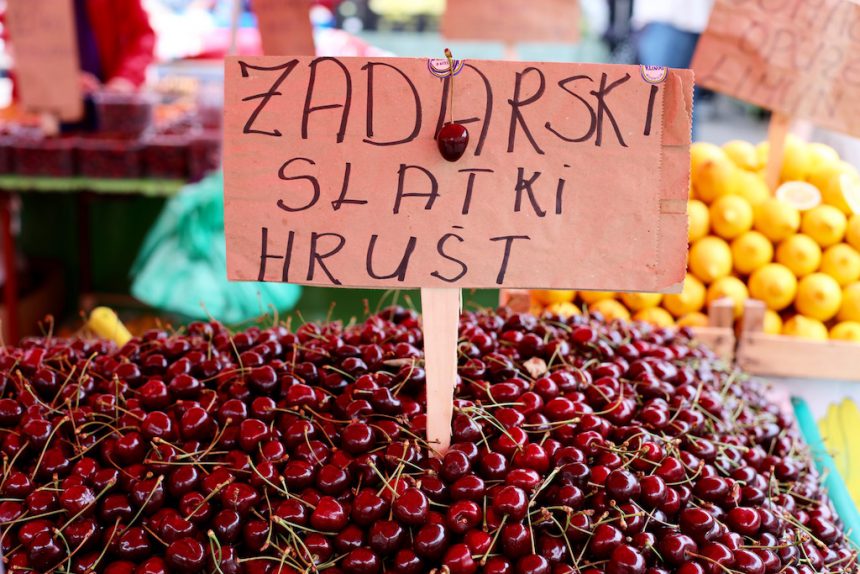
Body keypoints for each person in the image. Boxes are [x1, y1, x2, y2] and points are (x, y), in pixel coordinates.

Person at [633, 0, 713, 138]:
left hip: (682, 18)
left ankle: (681, 156)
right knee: (672, 101)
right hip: (676, 17)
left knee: (666, 101)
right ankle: (683, 155)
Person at [73, 0, 157, 93]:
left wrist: (126, 77)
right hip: (61, 95)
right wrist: (62, 78)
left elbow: (142, 35)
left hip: (106, 93)